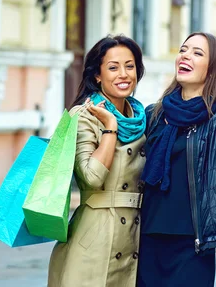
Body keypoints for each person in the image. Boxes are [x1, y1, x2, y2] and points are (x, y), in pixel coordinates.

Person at [136, 32, 216, 287]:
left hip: (192, 243)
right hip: (148, 236)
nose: (186, 56)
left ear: (213, 69)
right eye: (184, 50)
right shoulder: (156, 113)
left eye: (197, 53)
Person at [48, 35, 147, 287]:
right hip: (95, 240)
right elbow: (91, 177)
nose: (123, 74)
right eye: (113, 67)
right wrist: (110, 127)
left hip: (134, 239)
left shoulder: (140, 117)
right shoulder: (83, 116)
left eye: (130, 65)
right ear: (97, 76)